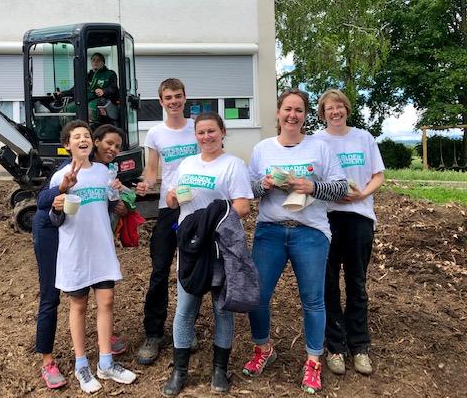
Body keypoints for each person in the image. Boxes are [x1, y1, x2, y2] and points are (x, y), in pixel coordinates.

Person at [244, 89, 347, 394]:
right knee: (258, 297)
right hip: (270, 231)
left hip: (311, 232)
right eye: (288, 109)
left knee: (313, 300)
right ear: (278, 113)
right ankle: (263, 349)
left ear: (305, 115)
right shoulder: (263, 148)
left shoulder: (320, 147)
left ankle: (313, 361)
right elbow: (247, 190)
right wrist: (262, 185)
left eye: (299, 110)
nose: (292, 115)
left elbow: (340, 188)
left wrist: (312, 186)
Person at [162, 111, 253, 396]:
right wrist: (174, 197)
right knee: (185, 309)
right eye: (201, 132)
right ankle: (179, 372)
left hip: (220, 247)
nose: (206, 137)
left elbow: (242, 206)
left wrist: (210, 221)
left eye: (211, 131)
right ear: (196, 136)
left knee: (221, 309)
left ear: (222, 131)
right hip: (190, 247)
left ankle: (219, 370)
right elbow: (170, 198)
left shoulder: (233, 165)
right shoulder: (188, 163)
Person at [31, 123, 127, 390]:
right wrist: (60, 191)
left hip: (93, 241)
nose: (113, 150)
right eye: (109, 144)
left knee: (104, 299)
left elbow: (109, 199)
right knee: (53, 295)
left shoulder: (104, 172)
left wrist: (121, 198)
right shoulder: (65, 173)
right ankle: (53, 361)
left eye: (117, 147)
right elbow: (45, 204)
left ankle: (105, 356)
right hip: (52, 231)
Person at [315, 89, 385, 376]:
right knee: (328, 283)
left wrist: (361, 195)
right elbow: (313, 178)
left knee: (356, 283)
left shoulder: (364, 138)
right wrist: (332, 193)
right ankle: (334, 346)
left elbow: (378, 175)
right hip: (327, 217)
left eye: (340, 106)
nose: (336, 111)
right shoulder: (317, 141)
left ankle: (359, 346)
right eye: (330, 108)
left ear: (347, 109)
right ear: (323, 113)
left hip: (359, 217)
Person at [135, 78, 199, 365]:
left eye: (178, 96)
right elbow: (151, 172)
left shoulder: (197, 128)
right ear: (161, 102)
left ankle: (186, 327)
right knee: (160, 270)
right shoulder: (156, 133)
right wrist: (144, 185)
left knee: (192, 270)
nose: (173, 101)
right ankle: (153, 333)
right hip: (168, 209)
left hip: (197, 208)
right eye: (168, 97)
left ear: (185, 98)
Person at [60, 53, 119, 127]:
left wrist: (104, 91)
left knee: (90, 109)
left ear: (103, 62)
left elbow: (113, 88)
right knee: (66, 110)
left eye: (98, 60)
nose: (95, 62)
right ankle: (71, 133)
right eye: (93, 60)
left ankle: (91, 133)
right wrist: (62, 93)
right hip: (85, 100)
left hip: (100, 99)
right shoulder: (87, 75)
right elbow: (76, 89)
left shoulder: (110, 74)